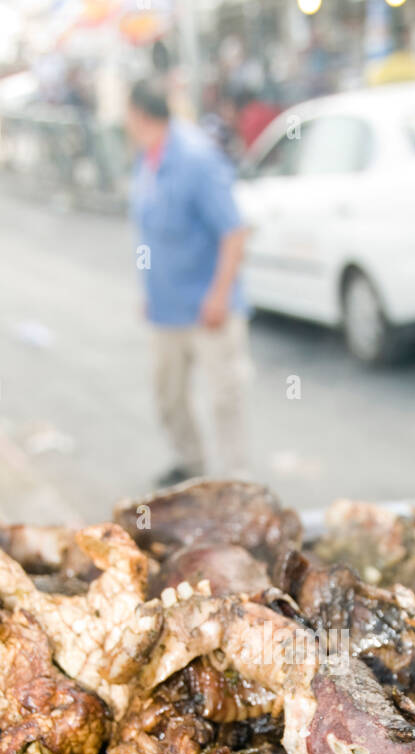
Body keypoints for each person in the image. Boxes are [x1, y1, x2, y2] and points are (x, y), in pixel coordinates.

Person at [127, 79, 251, 486]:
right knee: (169, 397)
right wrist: (148, 291)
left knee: (223, 399)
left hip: (207, 305)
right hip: (167, 307)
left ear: (141, 116)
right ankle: (191, 464)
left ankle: (235, 483)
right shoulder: (148, 161)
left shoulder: (197, 159)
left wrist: (218, 295)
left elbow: (234, 233)